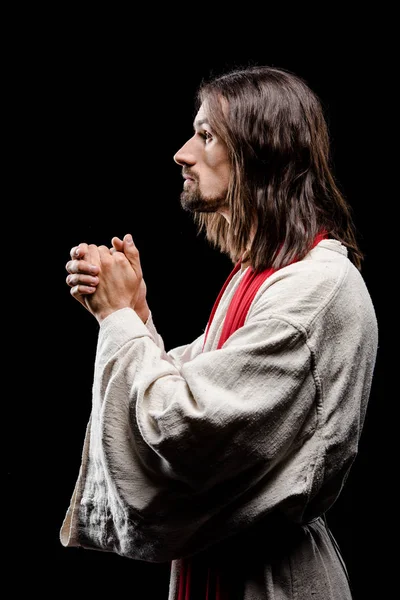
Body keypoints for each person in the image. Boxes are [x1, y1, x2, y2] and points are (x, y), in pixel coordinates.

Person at [61, 65, 378, 599]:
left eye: (206, 135)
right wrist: (138, 317)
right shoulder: (260, 276)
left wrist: (118, 321)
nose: (183, 153)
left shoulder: (314, 289)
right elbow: (199, 386)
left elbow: (185, 428)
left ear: (261, 151)